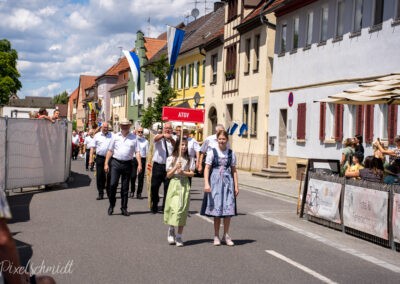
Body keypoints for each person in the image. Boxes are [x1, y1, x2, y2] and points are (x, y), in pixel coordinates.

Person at [201, 130, 239, 246]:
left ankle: (226, 235)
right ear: (217, 140)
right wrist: (206, 184)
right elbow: (207, 168)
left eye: (223, 139)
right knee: (217, 211)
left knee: (228, 211)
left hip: (227, 183)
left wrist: (236, 186)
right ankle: (216, 235)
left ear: (227, 140)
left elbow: (234, 171)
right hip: (215, 182)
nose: (222, 141)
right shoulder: (212, 152)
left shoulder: (231, 153)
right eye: (220, 139)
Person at [104, 119, 142, 216]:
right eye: (123, 125)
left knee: (125, 188)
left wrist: (140, 164)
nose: (125, 127)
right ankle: (111, 205)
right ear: (120, 126)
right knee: (112, 185)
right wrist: (106, 163)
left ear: (129, 126)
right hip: (116, 163)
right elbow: (110, 150)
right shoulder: (115, 136)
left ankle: (124, 208)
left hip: (128, 164)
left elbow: (137, 152)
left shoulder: (134, 138)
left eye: (127, 125)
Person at [164, 138, 195, 247]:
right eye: (182, 145)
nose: (184, 147)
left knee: (182, 210)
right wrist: (175, 168)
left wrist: (184, 172)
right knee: (174, 208)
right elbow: (168, 175)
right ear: (177, 145)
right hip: (174, 184)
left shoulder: (190, 159)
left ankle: (179, 236)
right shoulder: (171, 158)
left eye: (185, 145)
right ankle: (171, 229)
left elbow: (192, 173)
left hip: (184, 184)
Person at [150, 122, 175, 213]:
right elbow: (155, 139)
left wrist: (170, 138)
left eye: (169, 128)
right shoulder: (159, 137)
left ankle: (165, 206)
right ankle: (155, 202)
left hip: (169, 167)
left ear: (172, 130)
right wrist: (163, 135)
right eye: (166, 128)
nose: (168, 130)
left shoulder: (174, 138)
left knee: (167, 188)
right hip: (158, 166)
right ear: (163, 129)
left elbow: (176, 146)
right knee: (154, 186)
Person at [90, 122, 113, 200]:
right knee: (100, 176)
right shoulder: (97, 136)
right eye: (104, 127)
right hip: (100, 158)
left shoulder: (112, 135)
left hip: (110, 158)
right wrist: (91, 159)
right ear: (101, 127)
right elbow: (92, 147)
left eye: (107, 127)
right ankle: (100, 193)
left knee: (109, 175)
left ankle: (109, 191)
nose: (105, 129)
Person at [130, 126, 149, 199]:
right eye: (139, 132)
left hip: (142, 159)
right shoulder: (133, 139)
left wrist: (147, 163)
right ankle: (132, 191)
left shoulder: (146, 141)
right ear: (136, 132)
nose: (140, 133)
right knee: (133, 176)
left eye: (141, 132)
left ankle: (139, 193)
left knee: (141, 177)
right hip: (134, 159)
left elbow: (147, 152)